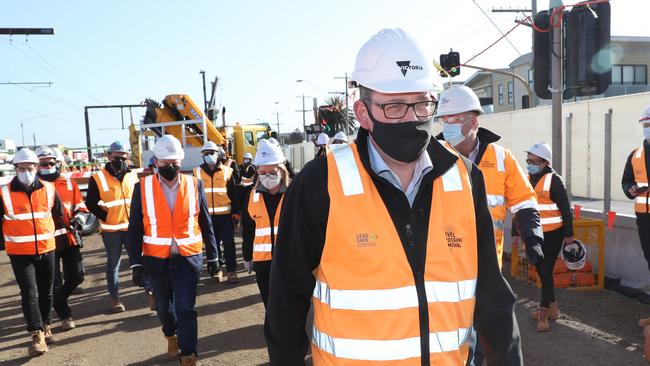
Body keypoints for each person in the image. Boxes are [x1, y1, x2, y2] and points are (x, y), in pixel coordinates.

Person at [265, 28, 523, 365]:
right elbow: (286, 301)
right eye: (395, 107)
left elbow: (494, 300)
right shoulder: (320, 184)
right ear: (363, 112)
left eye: (422, 104)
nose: (412, 118)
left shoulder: (465, 179)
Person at [126, 135, 218, 366]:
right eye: (165, 163)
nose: (170, 167)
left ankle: (189, 355)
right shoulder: (142, 188)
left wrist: (214, 255)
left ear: (181, 160)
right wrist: (136, 263)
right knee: (165, 310)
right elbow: (135, 229)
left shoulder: (194, 184)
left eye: (174, 162)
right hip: (156, 261)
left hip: (187, 258)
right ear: (156, 162)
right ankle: (170, 334)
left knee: (185, 308)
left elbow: (206, 222)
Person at [436, 85, 544, 270]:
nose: (448, 125)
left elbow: (525, 202)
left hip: (489, 264)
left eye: (454, 119)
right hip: (445, 264)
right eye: (444, 120)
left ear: (473, 121)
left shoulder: (502, 158)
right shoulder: (432, 157)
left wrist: (533, 238)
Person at [0, 148, 66, 356]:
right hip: (19, 252)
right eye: (21, 168)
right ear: (15, 169)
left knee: (47, 291)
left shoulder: (49, 189)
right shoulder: (4, 193)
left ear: (36, 168)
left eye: (29, 168)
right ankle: (36, 334)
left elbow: (59, 215)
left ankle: (46, 324)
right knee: (29, 292)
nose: (25, 172)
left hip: (47, 249)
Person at [513, 142, 573, 332]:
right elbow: (519, 207)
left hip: (553, 233)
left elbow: (565, 209)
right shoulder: (527, 178)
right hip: (533, 235)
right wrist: (516, 232)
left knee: (545, 272)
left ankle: (543, 313)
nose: (529, 164)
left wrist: (569, 234)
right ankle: (553, 309)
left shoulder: (554, 180)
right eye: (528, 160)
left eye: (533, 161)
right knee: (541, 271)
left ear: (545, 162)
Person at [36, 147, 87, 331]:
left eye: (51, 162)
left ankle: (57, 300)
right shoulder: (35, 186)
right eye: (44, 163)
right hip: (47, 241)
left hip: (69, 237)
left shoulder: (67, 182)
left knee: (77, 275)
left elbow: (80, 205)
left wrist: (78, 220)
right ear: (37, 165)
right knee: (54, 281)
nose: (48, 166)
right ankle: (65, 315)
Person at [85, 141, 139, 312]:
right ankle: (115, 298)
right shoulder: (98, 178)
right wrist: (106, 216)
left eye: (124, 157)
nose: (121, 160)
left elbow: (138, 200)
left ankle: (150, 292)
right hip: (111, 231)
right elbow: (91, 203)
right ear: (109, 156)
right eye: (117, 157)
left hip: (132, 228)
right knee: (113, 264)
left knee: (140, 262)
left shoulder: (132, 176)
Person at [242, 139, 289, 308]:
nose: (267, 177)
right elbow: (247, 230)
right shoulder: (252, 197)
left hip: (288, 261)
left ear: (281, 171)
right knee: (270, 305)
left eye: (272, 172)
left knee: (288, 305)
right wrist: (247, 256)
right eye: (263, 173)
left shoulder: (293, 195)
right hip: (263, 263)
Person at [194, 141, 241, 283]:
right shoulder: (197, 172)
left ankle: (231, 271)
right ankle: (216, 270)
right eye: (206, 153)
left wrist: (236, 212)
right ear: (202, 155)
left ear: (217, 154)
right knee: (211, 244)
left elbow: (234, 193)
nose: (209, 156)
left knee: (229, 244)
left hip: (226, 216)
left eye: (211, 153)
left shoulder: (227, 171)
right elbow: (194, 195)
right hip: (207, 217)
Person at [623, 107, 650, 328]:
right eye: (645, 125)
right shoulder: (635, 155)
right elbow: (626, 180)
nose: (647, 129)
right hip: (644, 218)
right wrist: (630, 189)